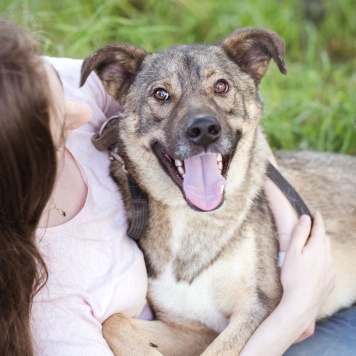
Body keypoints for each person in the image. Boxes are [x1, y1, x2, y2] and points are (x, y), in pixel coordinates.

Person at [0, 18, 352, 356]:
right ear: (23, 158)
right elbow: (208, 332)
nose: (80, 114)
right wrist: (295, 309)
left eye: (220, 87)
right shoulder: (53, 306)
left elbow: (258, 305)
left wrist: (291, 229)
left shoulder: (33, 80)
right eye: (162, 95)